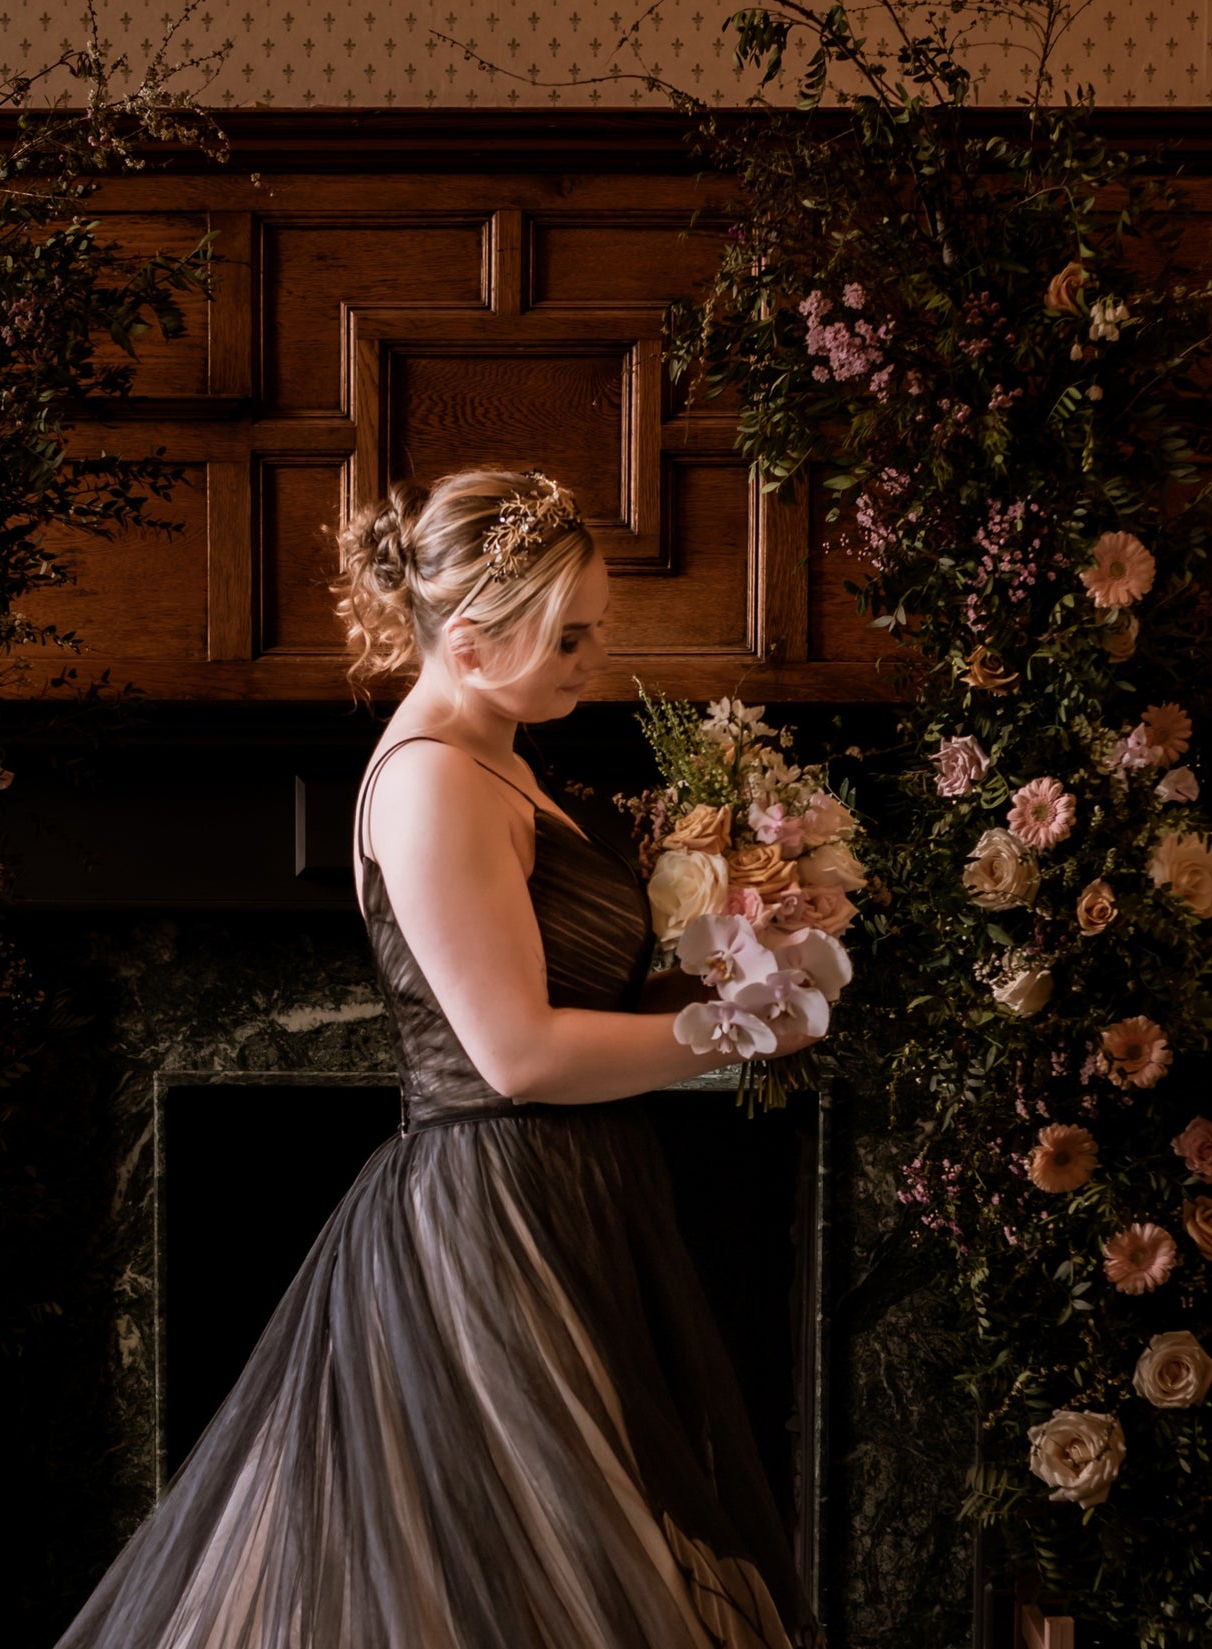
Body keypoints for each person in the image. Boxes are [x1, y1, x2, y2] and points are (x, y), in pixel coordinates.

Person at [55, 466, 823, 1649]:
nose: (591, 658)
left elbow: (575, 991)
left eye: (593, 630)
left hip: (571, 1198)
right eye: (566, 638)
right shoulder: (430, 785)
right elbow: (513, 1053)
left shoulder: (500, 756)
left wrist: (744, 967)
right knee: (535, 1581)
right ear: (468, 639)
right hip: (492, 1218)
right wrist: (726, 1034)